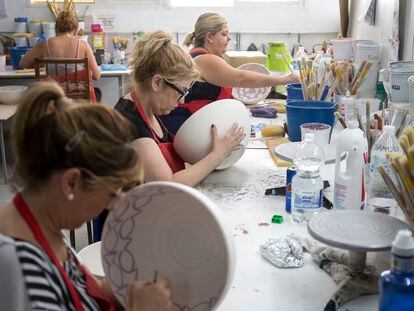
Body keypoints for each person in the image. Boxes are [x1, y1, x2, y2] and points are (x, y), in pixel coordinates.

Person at [0, 82, 172, 310]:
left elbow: (73, 290)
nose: (113, 206)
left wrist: (116, 291)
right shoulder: (19, 271)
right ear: (71, 182)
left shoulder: (42, 224)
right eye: (110, 195)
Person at [114, 30, 245, 187]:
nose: (182, 101)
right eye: (181, 91)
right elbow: (168, 185)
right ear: (157, 83)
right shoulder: (130, 123)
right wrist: (218, 154)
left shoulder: (149, 110)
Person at [160, 12, 300, 134]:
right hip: (185, 126)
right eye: (224, 34)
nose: (229, 38)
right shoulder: (204, 59)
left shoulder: (204, 56)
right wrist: (284, 79)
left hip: (196, 124)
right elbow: (241, 78)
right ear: (210, 36)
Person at [20, 11, 101, 102]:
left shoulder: (45, 44)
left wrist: (42, 64)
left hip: (53, 99)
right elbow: (96, 75)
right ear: (75, 29)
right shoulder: (83, 45)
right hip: (77, 103)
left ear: (56, 28)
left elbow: (23, 63)